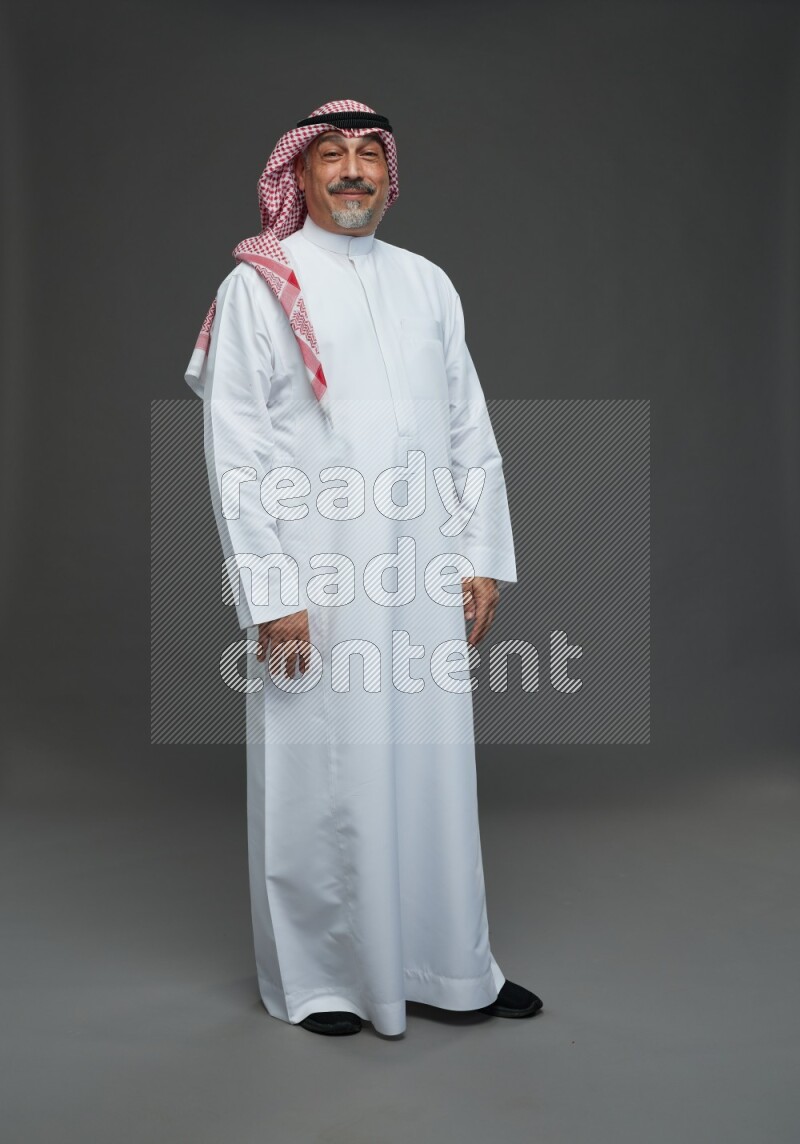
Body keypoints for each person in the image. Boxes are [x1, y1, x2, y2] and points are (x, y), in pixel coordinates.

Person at [184, 99, 543, 1037]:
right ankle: (326, 980)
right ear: (296, 177)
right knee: (324, 769)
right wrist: (271, 596)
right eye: (331, 156)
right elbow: (238, 450)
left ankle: (451, 966)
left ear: (389, 176)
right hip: (318, 580)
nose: (351, 171)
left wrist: (479, 557)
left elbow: (470, 430)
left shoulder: (428, 282)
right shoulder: (260, 285)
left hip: (421, 576)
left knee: (430, 768)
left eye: (367, 157)